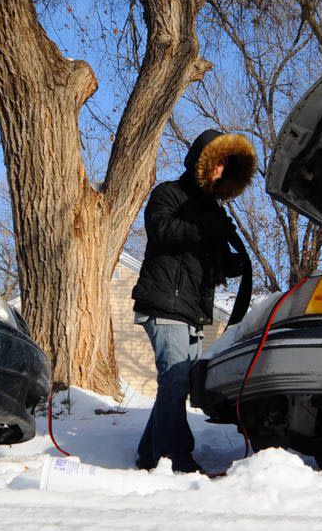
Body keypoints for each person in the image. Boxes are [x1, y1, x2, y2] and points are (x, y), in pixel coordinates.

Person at [132, 129, 257, 473]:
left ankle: (147, 457)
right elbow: (162, 231)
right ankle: (178, 458)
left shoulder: (211, 211)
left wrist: (233, 263)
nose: (220, 170)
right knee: (173, 380)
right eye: (217, 163)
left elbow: (208, 263)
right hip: (164, 303)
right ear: (202, 161)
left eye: (225, 165)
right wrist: (205, 227)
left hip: (191, 310)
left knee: (178, 383)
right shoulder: (169, 194)